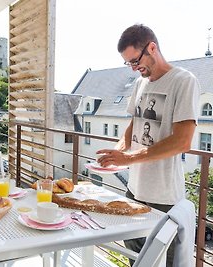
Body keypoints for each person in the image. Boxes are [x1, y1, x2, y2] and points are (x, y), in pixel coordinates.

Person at [96, 24, 200, 266]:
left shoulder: (183, 81)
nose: (133, 68)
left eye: (135, 60)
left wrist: (129, 159)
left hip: (164, 197)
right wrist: (119, 151)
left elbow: (183, 141)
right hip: (134, 191)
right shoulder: (140, 84)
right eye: (128, 64)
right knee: (138, 260)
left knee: (165, 261)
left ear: (152, 47)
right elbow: (134, 125)